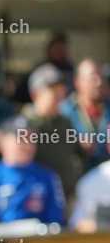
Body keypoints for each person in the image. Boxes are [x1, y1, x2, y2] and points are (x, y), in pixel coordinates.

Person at [22, 63, 85, 199]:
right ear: (35, 94)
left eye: (62, 91)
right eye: (53, 91)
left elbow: (78, 154)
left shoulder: (65, 122)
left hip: (69, 195)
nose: (60, 96)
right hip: (38, 198)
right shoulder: (26, 124)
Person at [61, 58, 110, 171]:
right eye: (93, 78)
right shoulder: (65, 112)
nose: (99, 82)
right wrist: (77, 146)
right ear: (78, 82)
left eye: (101, 77)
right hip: (79, 179)